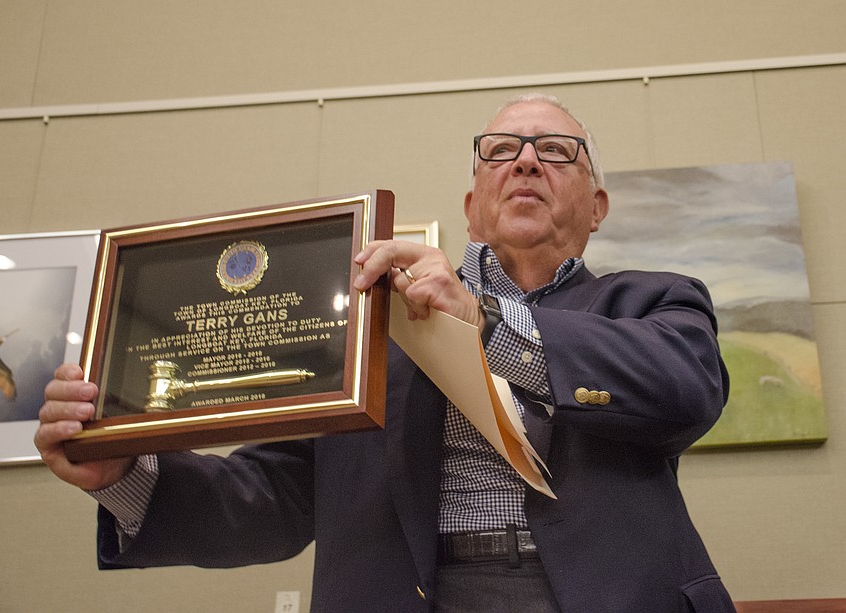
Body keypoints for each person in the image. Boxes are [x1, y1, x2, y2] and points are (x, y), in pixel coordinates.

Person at [36, 93, 736, 612]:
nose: (526, 159)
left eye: (557, 150)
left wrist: (485, 322)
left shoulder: (656, 302)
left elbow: (687, 387)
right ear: (472, 206)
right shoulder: (375, 327)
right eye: (501, 150)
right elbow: (276, 496)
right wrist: (123, 470)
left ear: (597, 206)